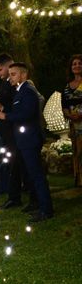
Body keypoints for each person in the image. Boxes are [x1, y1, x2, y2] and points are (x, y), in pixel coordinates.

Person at [0, 63, 54, 222]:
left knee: (37, 175)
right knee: (33, 175)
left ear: (23, 75)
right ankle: (39, 205)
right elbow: (18, 111)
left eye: (13, 74)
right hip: (24, 140)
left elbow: (26, 114)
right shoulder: (19, 91)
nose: (10, 77)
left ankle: (46, 210)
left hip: (30, 139)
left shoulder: (27, 91)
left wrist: (5, 116)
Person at [0, 53, 30, 209]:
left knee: (14, 163)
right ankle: (18, 194)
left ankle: (16, 196)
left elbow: (10, 103)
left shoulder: (17, 84)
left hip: (12, 130)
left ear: (9, 65)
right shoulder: (5, 83)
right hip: (5, 131)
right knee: (13, 164)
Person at [61, 54, 82, 187]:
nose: (77, 66)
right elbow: (64, 104)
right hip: (74, 124)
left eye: (80, 63)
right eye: (74, 64)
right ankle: (79, 179)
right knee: (77, 151)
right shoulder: (67, 86)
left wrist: (80, 114)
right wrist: (69, 115)